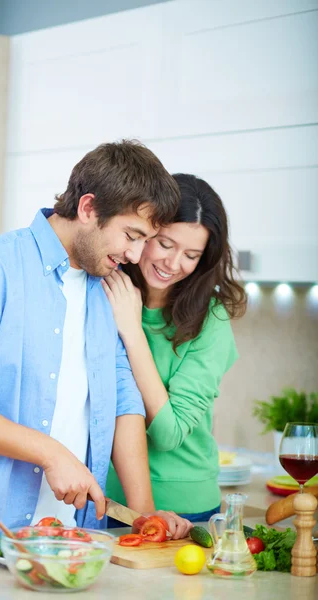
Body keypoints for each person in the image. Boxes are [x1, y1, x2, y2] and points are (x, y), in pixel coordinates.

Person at [0, 140, 192, 541]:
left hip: (74, 539)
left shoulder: (108, 287)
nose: (136, 255)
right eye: (131, 235)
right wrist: (51, 453)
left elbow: (122, 398)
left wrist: (143, 514)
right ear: (87, 208)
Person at [103, 173, 247, 523]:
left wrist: (132, 332)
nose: (173, 263)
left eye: (192, 255)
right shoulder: (107, 288)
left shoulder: (211, 319)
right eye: (166, 244)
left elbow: (169, 433)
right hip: (105, 499)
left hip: (186, 506)